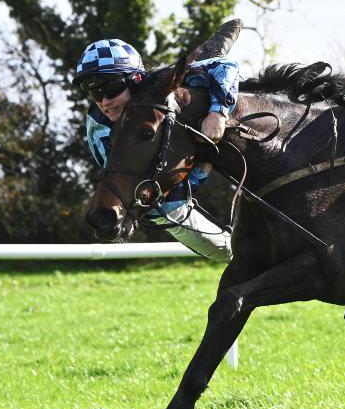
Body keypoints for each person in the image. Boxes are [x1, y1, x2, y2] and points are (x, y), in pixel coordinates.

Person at [72, 20, 244, 262]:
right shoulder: (99, 127)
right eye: (95, 93)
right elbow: (150, 196)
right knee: (229, 254)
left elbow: (226, 66)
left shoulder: (158, 83)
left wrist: (218, 113)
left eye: (110, 89)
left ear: (137, 79)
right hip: (163, 203)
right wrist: (200, 172)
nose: (104, 102)